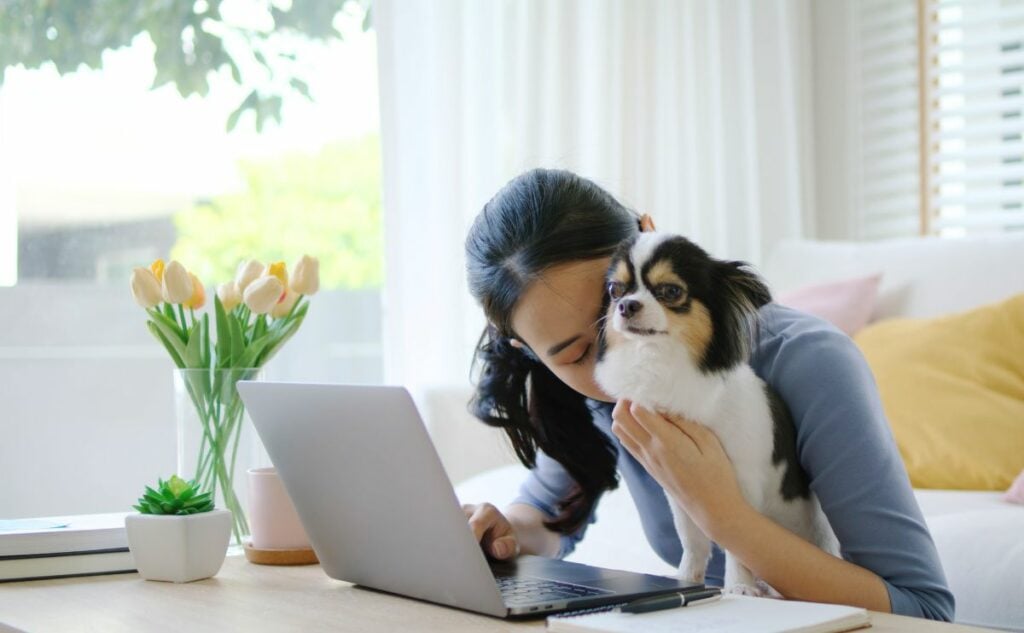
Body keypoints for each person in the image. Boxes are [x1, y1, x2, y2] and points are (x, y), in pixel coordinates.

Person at [461, 168, 954, 621]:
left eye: (618, 301)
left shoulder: (807, 360)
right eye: (573, 355)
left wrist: (725, 515)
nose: (620, 340)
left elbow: (923, 610)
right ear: (525, 349)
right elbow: (549, 515)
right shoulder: (602, 387)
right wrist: (500, 533)